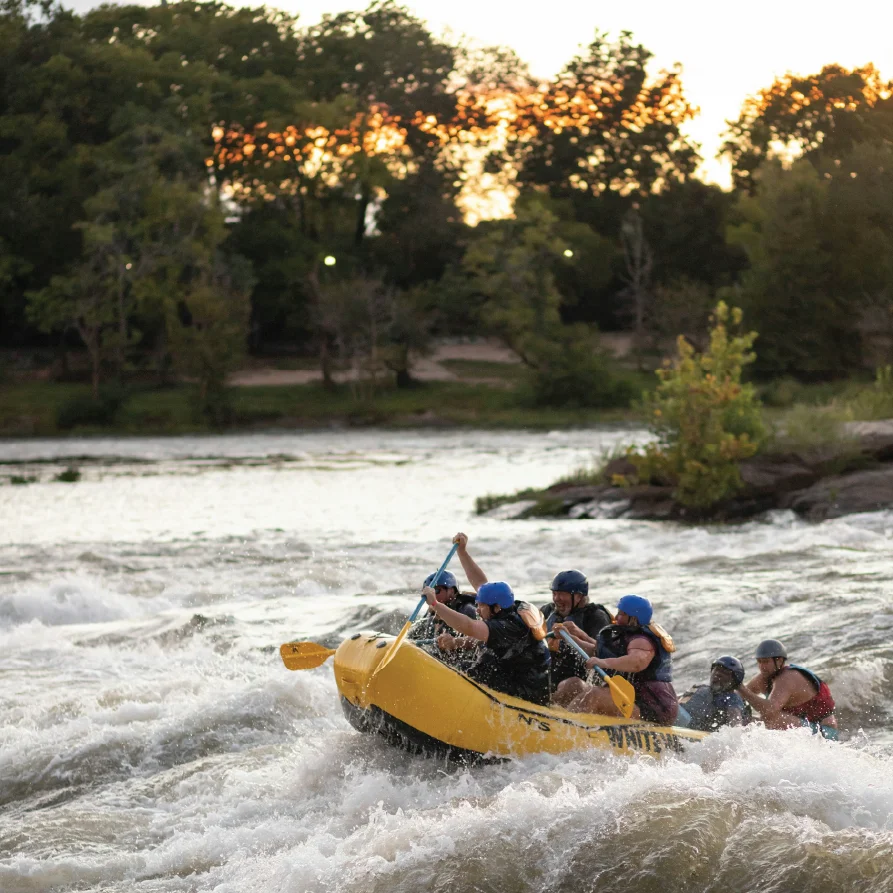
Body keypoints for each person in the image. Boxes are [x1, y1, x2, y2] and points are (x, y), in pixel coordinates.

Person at [421, 532, 551, 705]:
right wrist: (462, 552)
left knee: (467, 672)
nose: (477, 609)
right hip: (511, 673)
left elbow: (469, 626)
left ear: (496, 607)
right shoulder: (507, 607)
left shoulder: (507, 626)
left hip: (527, 690)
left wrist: (436, 604)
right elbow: (481, 584)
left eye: (481, 606)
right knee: (464, 665)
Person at [551, 594, 678, 725]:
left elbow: (636, 663)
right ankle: (546, 719)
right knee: (574, 684)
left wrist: (603, 663)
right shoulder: (625, 635)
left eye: (621, 614)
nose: (616, 617)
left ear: (633, 618)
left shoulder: (642, 641)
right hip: (626, 698)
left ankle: (565, 730)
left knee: (594, 695)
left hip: (651, 708)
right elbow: (597, 652)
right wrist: (571, 638)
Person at [737, 639, 838, 740]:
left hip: (824, 733)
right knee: (745, 721)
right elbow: (738, 696)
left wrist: (740, 687)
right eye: (759, 662)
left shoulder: (788, 677)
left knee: (771, 718)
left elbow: (769, 711)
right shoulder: (763, 679)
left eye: (766, 662)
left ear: (779, 661)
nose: (762, 667)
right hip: (800, 728)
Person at [541, 570, 612, 690]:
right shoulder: (547, 611)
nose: (556, 599)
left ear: (578, 596)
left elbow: (605, 655)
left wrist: (579, 635)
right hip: (549, 677)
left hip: (579, 681)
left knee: (573, 684)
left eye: (562, 594)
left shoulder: (596, 617)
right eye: (554, 594)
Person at [676, 656, 749, 731]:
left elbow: (735, 726)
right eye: (717, 669)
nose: (717, 674)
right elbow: (679, 703)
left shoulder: (732, 698)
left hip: (691, 731)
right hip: (678, 722)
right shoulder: (699, 687)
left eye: (725, 672)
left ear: (734, 681)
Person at [407, 571, 477, 641]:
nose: (432, 595)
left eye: (436, 591)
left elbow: (482, 637)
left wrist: (455, 643)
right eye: (429, 592)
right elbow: (412, 639)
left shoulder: (467, 609)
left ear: (451, 591)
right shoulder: (431, 613)